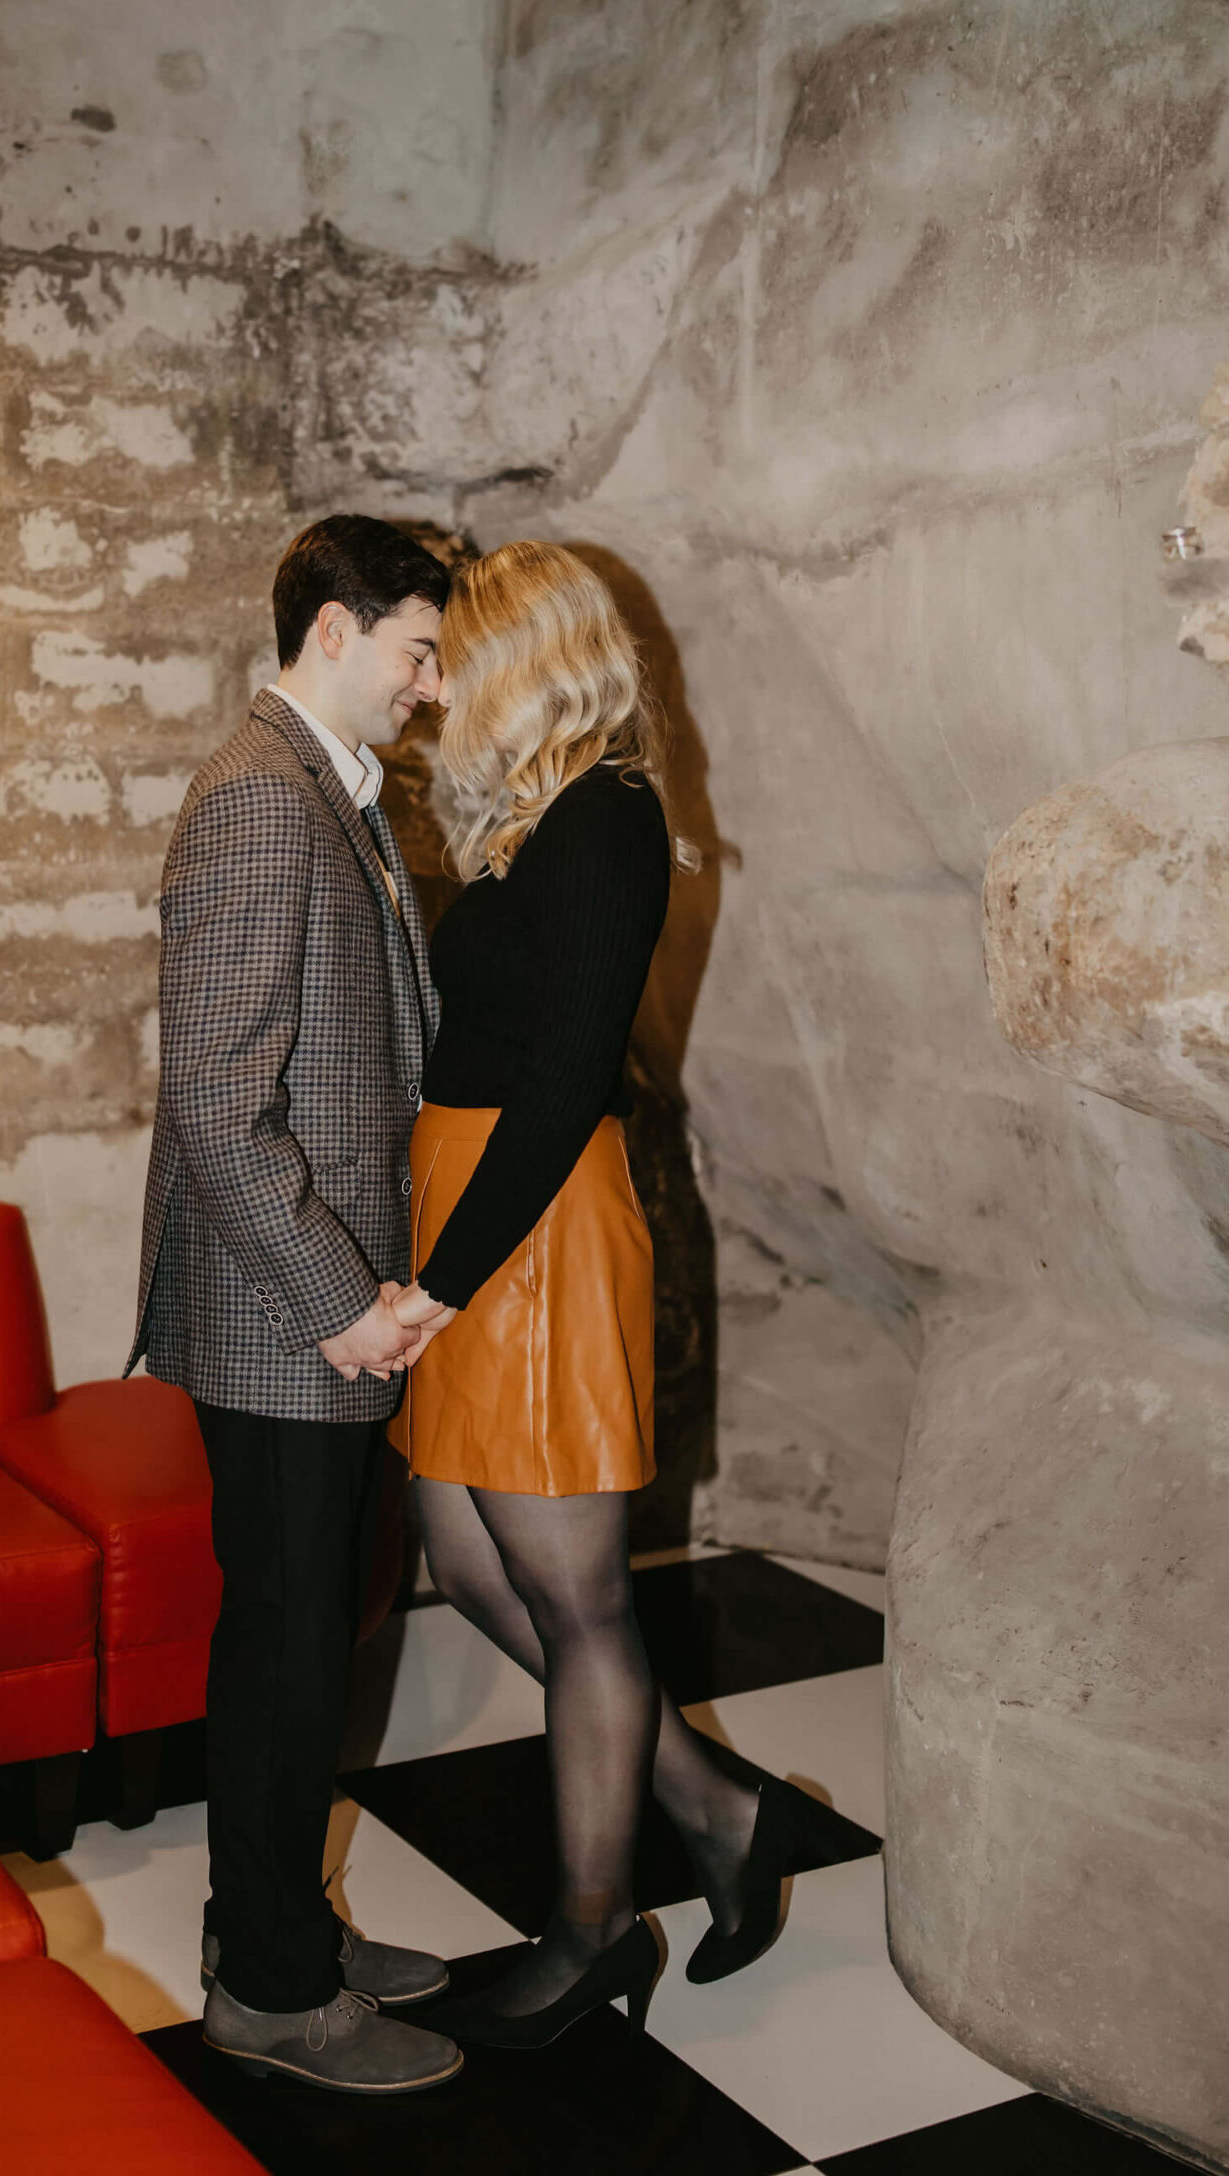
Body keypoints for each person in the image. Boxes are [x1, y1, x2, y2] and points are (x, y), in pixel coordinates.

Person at [387, 541, 826, 2049]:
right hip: (471, 1207)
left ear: (525, 657)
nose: (430, 684)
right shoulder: (525, 821)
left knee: (575, 1598)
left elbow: (567, 1084)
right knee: (464, 1552)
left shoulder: (610, 819)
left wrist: (436, 1287)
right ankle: (719, 1805)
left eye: (451, 657)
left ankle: (589, 1930)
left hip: (535, 1228)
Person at [126, 514, 463, 2095]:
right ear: (334, 629)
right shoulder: (265, 803)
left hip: (306, 1302)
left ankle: (278, 1933)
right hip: (284, 1313)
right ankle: (269, 1988)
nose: (433, 685)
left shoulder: (323, 790)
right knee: (282, 1649)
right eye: (417, 648)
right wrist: (341, 1301)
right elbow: (215, 1099)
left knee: (302, 1634)